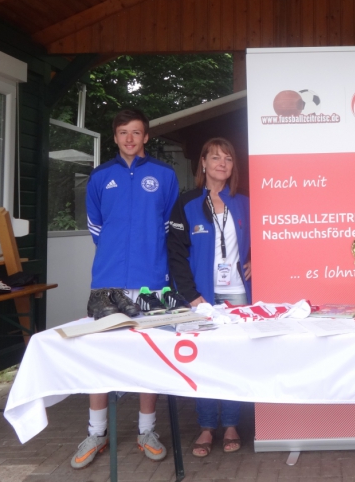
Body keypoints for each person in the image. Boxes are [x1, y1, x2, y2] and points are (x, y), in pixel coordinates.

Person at [71, 109, 181, 469]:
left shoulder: (164, 175)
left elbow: (167, 225)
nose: (130, 138)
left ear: (146, 136)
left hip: (152, 282)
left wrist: (146, 255)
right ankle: (96, 432)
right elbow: (96, 228)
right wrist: (117, 255)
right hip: (108, 282)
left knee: (151, 355)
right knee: (100, 356)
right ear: (115, 137)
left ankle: (147, 431)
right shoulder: (101, 176)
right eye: (123, 132)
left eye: (136, 132)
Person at [167, 137, 252, 458]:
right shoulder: (186, 203)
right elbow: (175, 253)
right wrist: (191, 295)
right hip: (201, 295)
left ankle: (230, 424)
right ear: (202, 163)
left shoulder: (244, 202)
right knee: (203, 358)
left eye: (227, 159)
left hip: (238, 293)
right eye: (215, 157)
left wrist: (258, 259)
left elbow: (264, 236)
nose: (221, 163)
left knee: (233, 358)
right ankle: (206, 425)